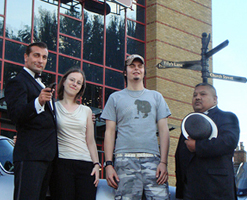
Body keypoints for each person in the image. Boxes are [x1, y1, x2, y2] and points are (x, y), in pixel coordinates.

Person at [101, 54, 171, 199]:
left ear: (144, 71)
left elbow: (164, 131)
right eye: (132, 66)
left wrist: (163, 162)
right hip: (124, 159)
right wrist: (108, 165)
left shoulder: (156, 97)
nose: (136, 69)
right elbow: (109, 132)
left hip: (153, 159)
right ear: (125, 72)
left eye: (140, 66)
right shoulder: (115, 98)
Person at [4, 42, 57, 200]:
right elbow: (16, 115)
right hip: (30, 156)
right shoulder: (18, 82)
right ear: (26, 57)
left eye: (44, 57)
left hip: (47, 158)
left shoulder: (40, 83)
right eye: (36, 55)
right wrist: (38, 102)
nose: (41, 60)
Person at [175, 83, 240, 200]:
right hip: (189, 191)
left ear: (215, 99)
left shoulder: (227, 117)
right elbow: (180, 155)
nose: (197, 97)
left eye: (203, 94)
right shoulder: (189, 122)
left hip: (217, 189)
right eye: (195, 95)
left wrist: (198, 146)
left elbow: (228, 142)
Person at [54, 68, 100, 200]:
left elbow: (90, 141)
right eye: (72, 80)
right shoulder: (53, 107)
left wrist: (96, 165)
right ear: (64, 81)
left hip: (86, 165)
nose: (75, 84)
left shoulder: (86, 111)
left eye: (79, 83)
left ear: (81, 88)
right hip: (62, 164)